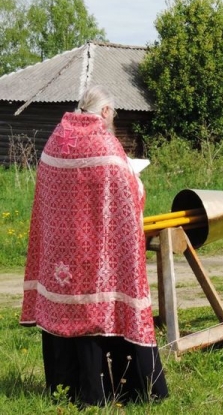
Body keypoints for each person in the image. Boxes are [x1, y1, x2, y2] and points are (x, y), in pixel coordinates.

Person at [20, 85, 168, 406]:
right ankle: (117, 390)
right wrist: (137, 181)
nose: (112, 120)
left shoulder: (56, 138)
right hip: (96, 253)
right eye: (113, 114)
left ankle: (65, 389)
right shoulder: (105, 143)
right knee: (98, 313)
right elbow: (130, 196)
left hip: (60, 252)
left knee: (67, 315)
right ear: (104, 112)